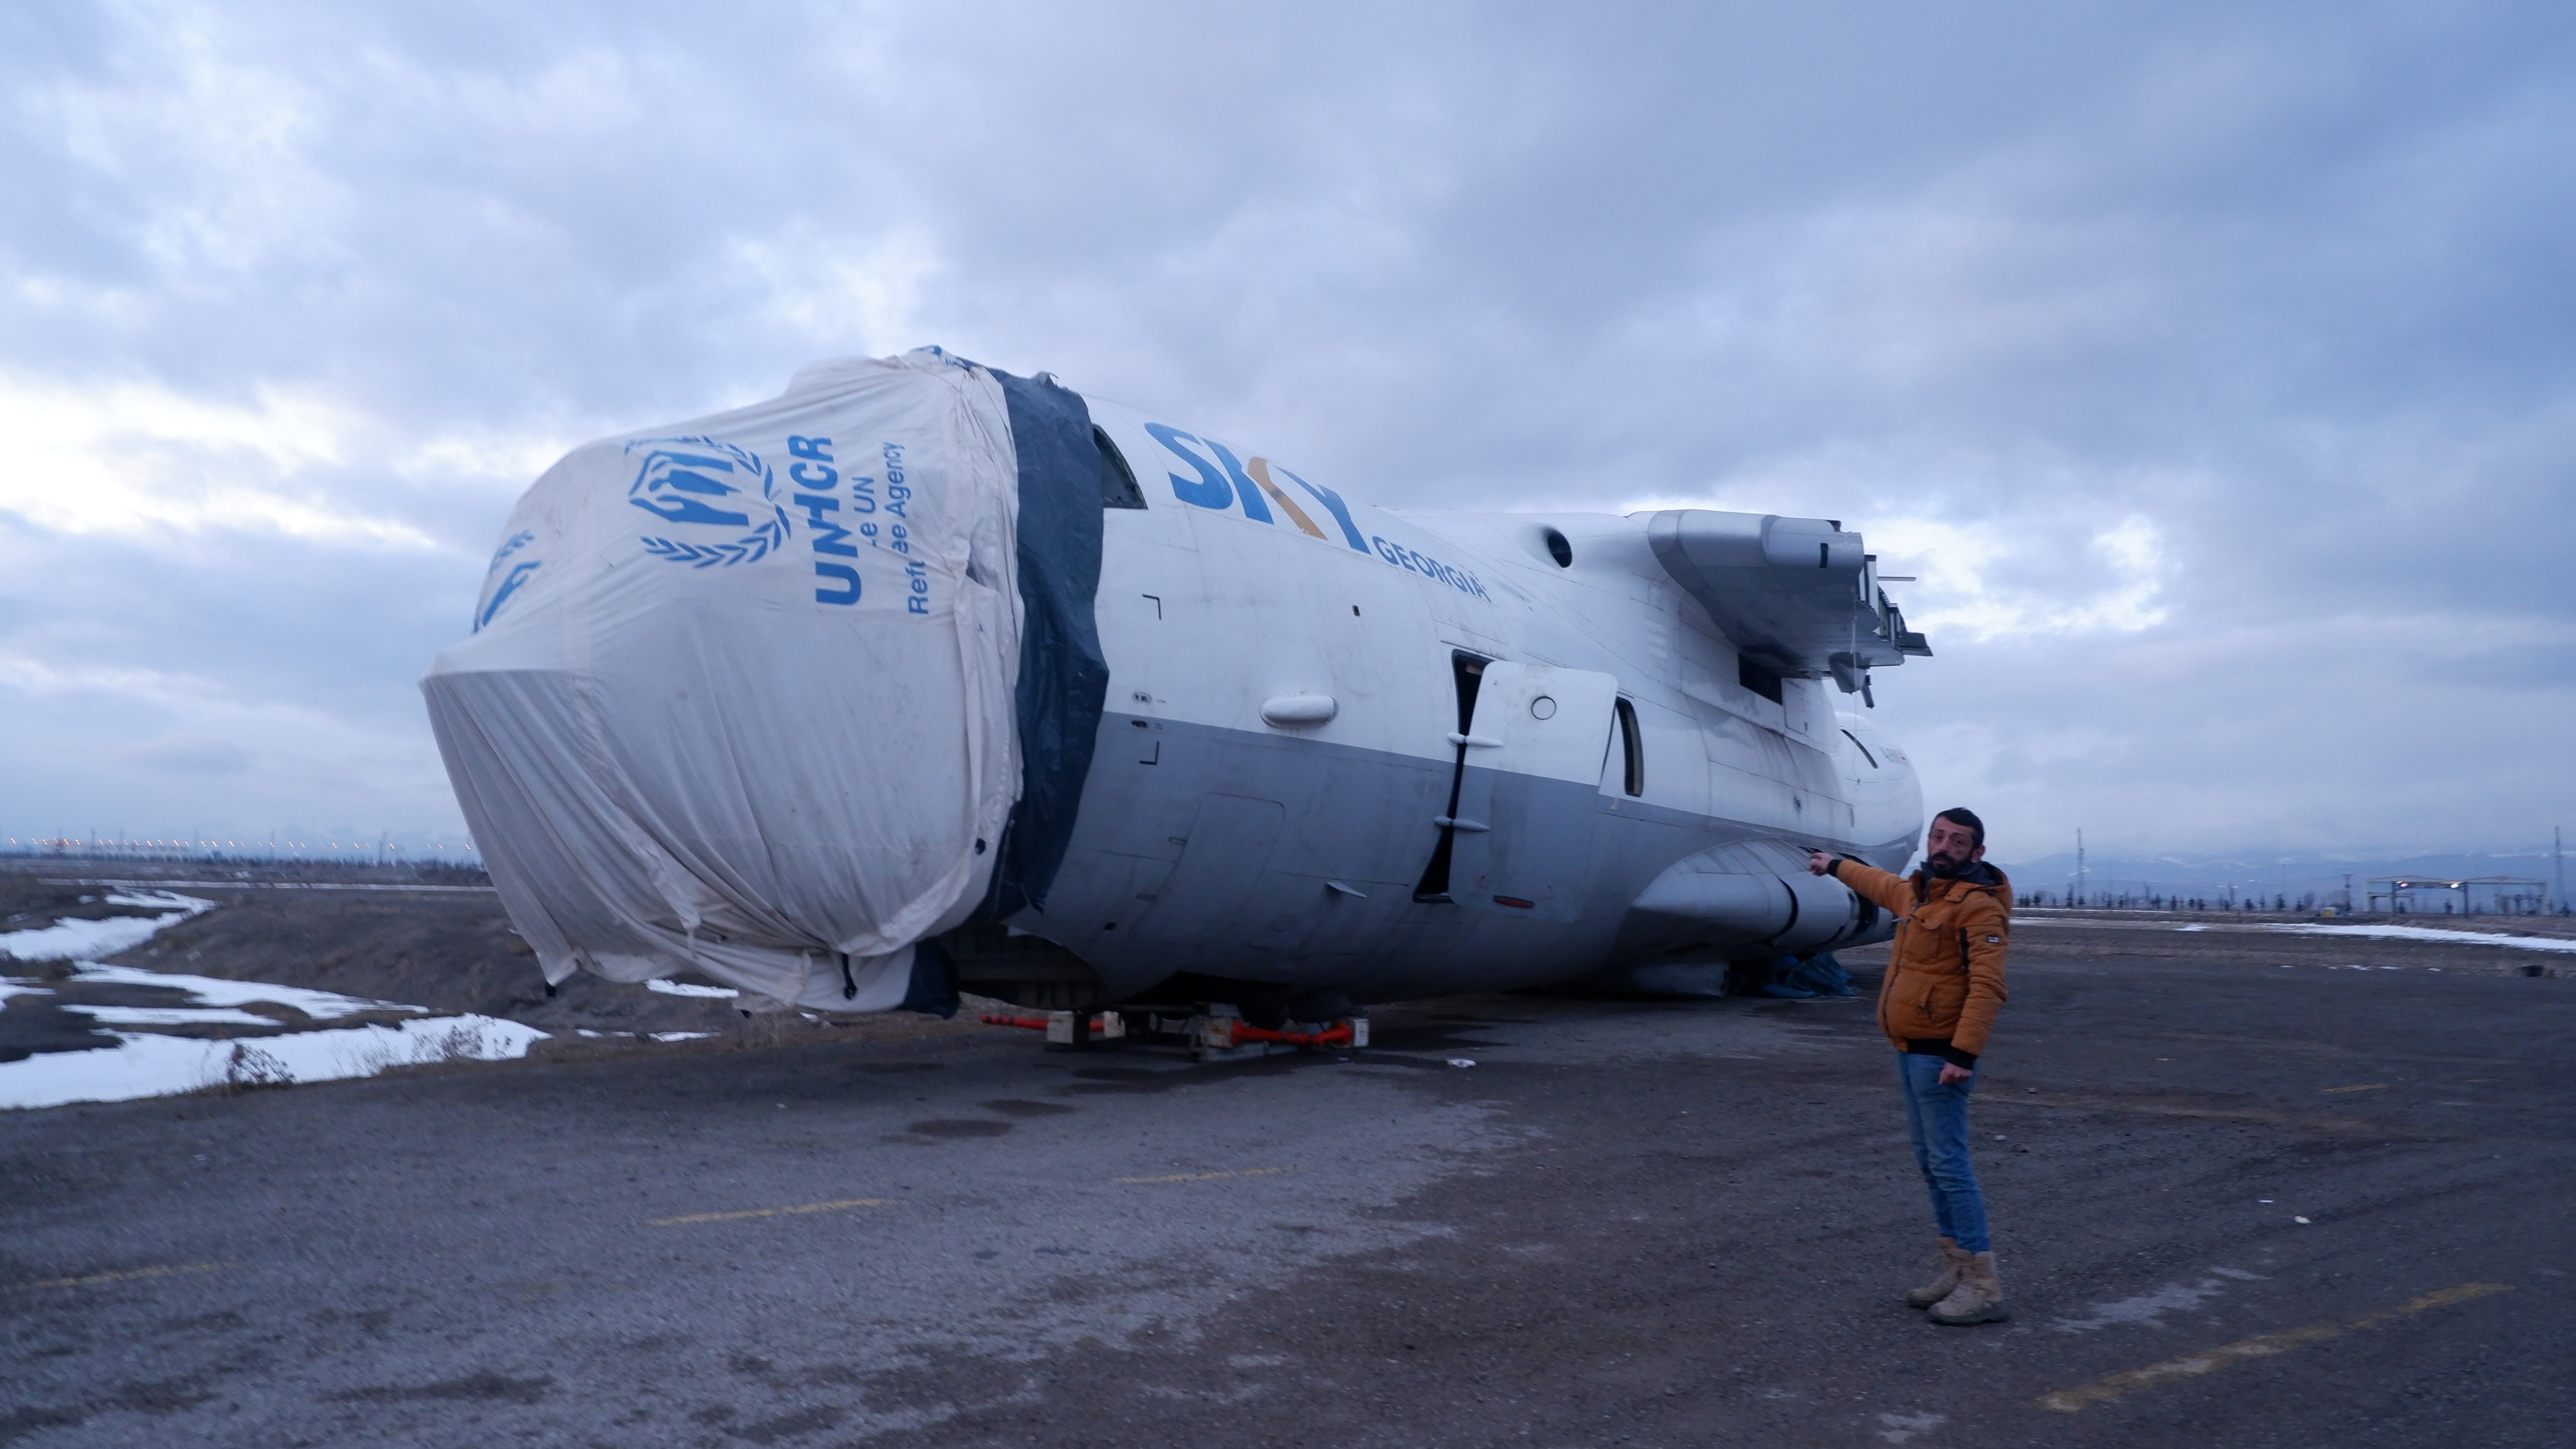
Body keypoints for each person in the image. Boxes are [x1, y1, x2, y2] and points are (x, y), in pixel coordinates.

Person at [1807, 808, 2011, 1326]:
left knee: (1950, 1165)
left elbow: (1987, 987)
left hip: (1941, 1055)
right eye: (1938, 836)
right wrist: (1834, 866)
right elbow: (1877, 883)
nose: (1944, 845)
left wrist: (1963, 1055)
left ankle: (1984, 1285)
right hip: (1908, 1047)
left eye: (1957, 841)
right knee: (1930, 1163)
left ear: (1976, 853)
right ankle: (1957, 1269)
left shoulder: (1979, 909)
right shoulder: (1921, 893)